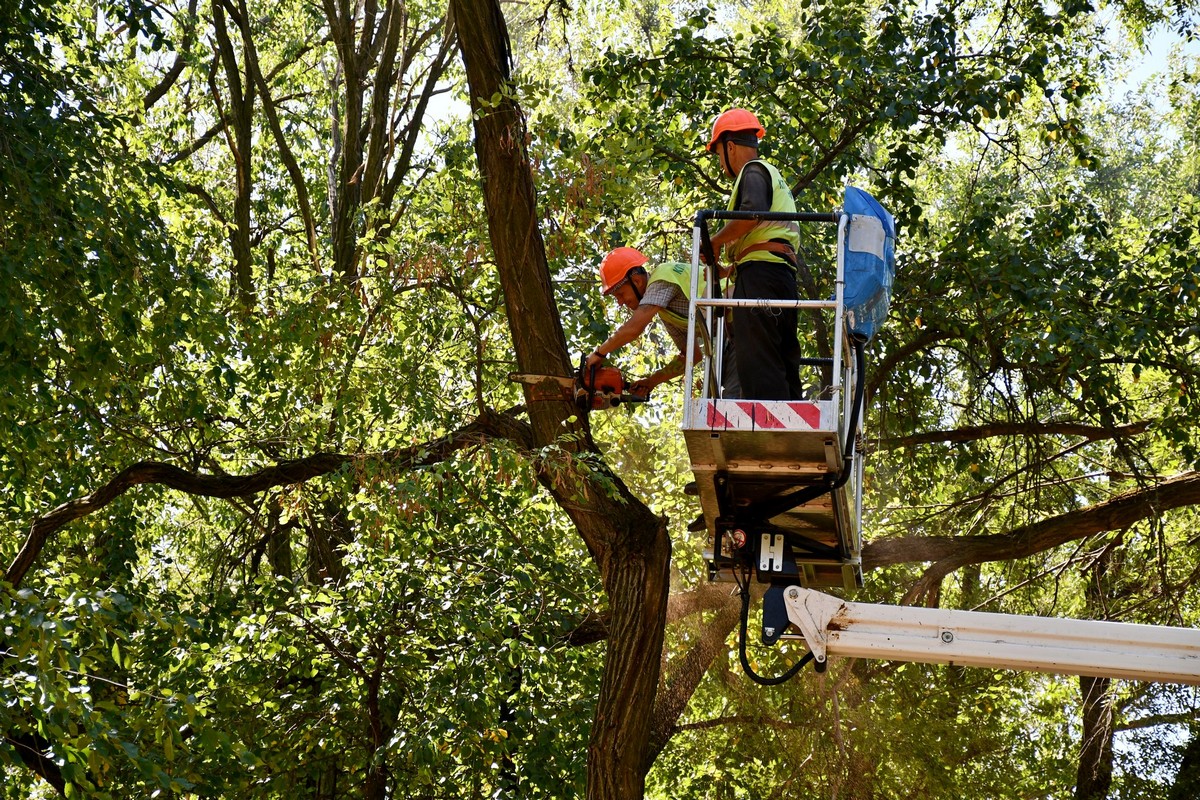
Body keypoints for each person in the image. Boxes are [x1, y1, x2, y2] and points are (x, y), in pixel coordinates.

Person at [705, 107, 803, 401]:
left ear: (730, 146)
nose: (721, 164)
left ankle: (769, 428)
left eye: (719, 154)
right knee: (782, 357)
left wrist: (715, 240)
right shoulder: (775, 177)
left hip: (760, 275)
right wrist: (729, 268)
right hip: (781, 275)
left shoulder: (753, 170)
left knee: (756, 359)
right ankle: (791, 423)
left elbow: (752, 214)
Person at [585, 246, 719, 398]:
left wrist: (599, 353)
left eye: (621, 294)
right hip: (732, 334)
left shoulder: (662, 277)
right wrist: (651, 382)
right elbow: (692, 356)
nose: (620, 302)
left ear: (636, 281)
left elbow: (633, 328)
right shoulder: (666, 311)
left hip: (740, 313)